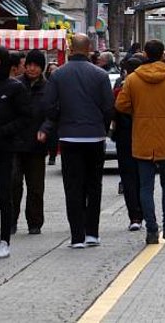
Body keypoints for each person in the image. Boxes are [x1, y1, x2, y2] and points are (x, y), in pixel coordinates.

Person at [115, 40, 165, 244]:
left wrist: (138, 112)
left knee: (145, 187)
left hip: (142, 138)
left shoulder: (133, 79)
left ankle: (151, 229)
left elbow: (121, 104)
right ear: (162, 55)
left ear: (145, 54)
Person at [39, 33, 114, 249]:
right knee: (94, 185)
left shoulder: (58, 75)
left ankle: (77, 235)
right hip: (95, 135)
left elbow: (49, 105)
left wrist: (55, 123)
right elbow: (108, 106)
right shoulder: (99, 75)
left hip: (69, 135)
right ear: (89, 49)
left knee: (73, 186)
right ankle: (93, 232)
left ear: (71, 49)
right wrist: (102, 123)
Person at [0, 46, 31, 258]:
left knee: (4, 196)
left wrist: (5, 131)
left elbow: (26, 117)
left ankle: (4, 240)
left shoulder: (15, 88)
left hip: (4, 149)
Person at [12, 49, 49, 236]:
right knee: (13, 183)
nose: (32, 69)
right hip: (15, 144)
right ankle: (10, 220)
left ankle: (35, 223)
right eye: (29, 65)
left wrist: (45, 129)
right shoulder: (15, 85)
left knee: (35, 187)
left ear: (41, 68)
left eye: (36, 65)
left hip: (37, 145)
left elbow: (52, 114)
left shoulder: (48, 88)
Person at [112, 57, 144, 231]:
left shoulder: (120, 89)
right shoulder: (148, 89)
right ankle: (146, 212)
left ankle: (135, 216)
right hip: (145, 135)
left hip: (125, 137)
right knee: (145, 177)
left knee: (129, 178)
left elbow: (114, 110)